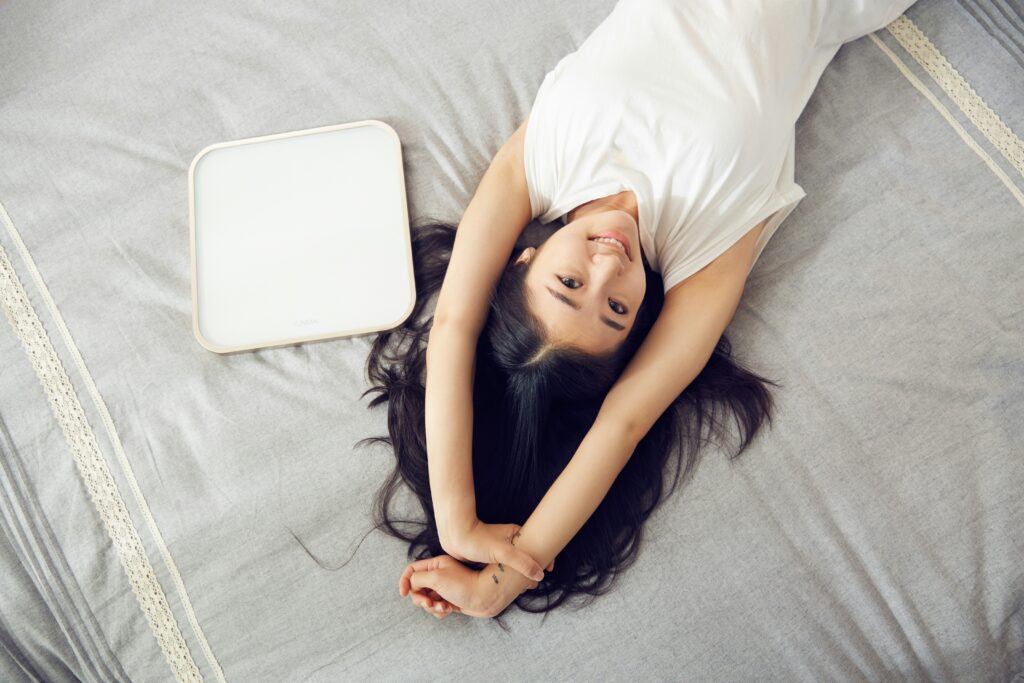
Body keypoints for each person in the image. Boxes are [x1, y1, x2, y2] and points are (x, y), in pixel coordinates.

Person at [360, 0, 918, 623]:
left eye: (568, 281)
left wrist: (461, 522)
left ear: (520, 261)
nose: (608, 265)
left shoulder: (543, 159)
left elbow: (455, 328)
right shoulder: (709, 245)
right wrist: (509, 576)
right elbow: (621, 424)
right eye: (617, 308)